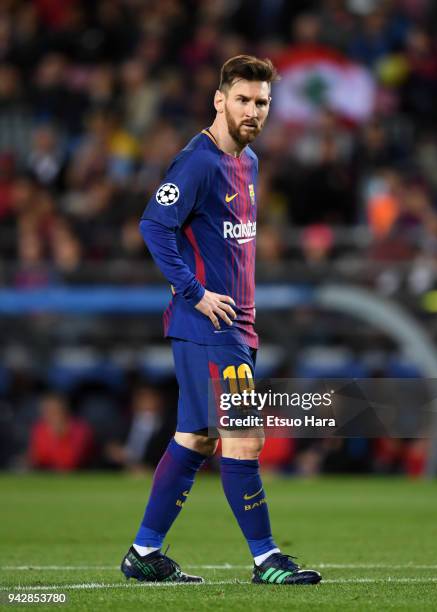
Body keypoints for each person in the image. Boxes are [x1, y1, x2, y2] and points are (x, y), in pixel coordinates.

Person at [121, 55, 322, 586]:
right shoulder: (198, 161)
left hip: (234, 327)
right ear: (219, 99)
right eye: (243, 100)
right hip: (211, 327)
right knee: (243, 438)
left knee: (196, 438)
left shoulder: (249, 162)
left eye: (262, 103)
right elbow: (153, 225)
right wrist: (196, 292)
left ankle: (144, 552)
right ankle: (266, 558)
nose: (253, 111)